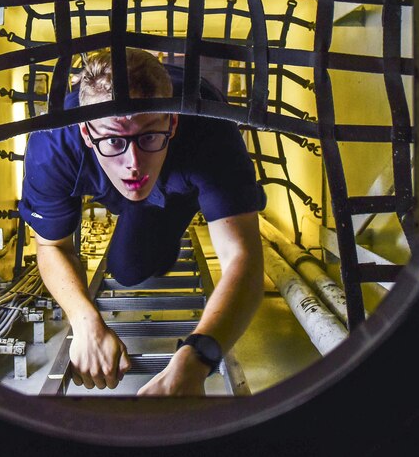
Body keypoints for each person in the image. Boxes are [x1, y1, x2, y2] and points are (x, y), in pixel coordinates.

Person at [19, 47, 265, 396]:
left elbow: (245, 259)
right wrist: (85, 320)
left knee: (134, 262)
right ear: (88, 134)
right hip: (138, 166)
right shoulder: (53, 147)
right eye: (115, 140)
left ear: (172, 123)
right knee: (126, 269)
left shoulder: (209, 129)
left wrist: (197, 356)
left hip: (180, 171)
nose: (132, 163)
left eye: (147, 135)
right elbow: (51, 245)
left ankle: (192, 198)